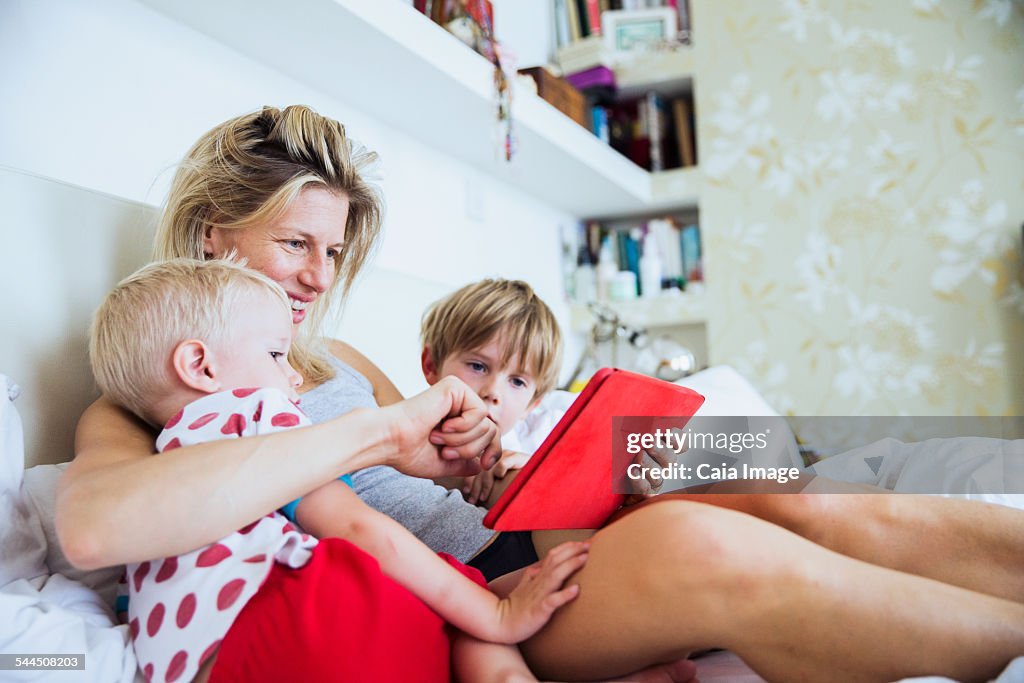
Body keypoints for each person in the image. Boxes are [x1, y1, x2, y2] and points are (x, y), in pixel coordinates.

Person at [58, 104, 1024, 682]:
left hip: (512, 522)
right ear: (215, 237)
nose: (318, 276)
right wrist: (373, 439)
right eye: (294, 244)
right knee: (707, 539)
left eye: (334, 249)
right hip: (478, 592)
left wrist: (473, 453)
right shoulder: (150, 399)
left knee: (747, 461)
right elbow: (98, 527)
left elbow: (439, 473)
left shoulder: (338, 353)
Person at [88, 258, 596, 683]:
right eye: (275, 354)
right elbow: (357, 527)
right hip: (303, 631)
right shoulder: (262, 415)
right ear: (201, 366)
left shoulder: (162, 453)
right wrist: (497, 615)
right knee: (455, 594)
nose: (293, 375)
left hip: (202, 663)